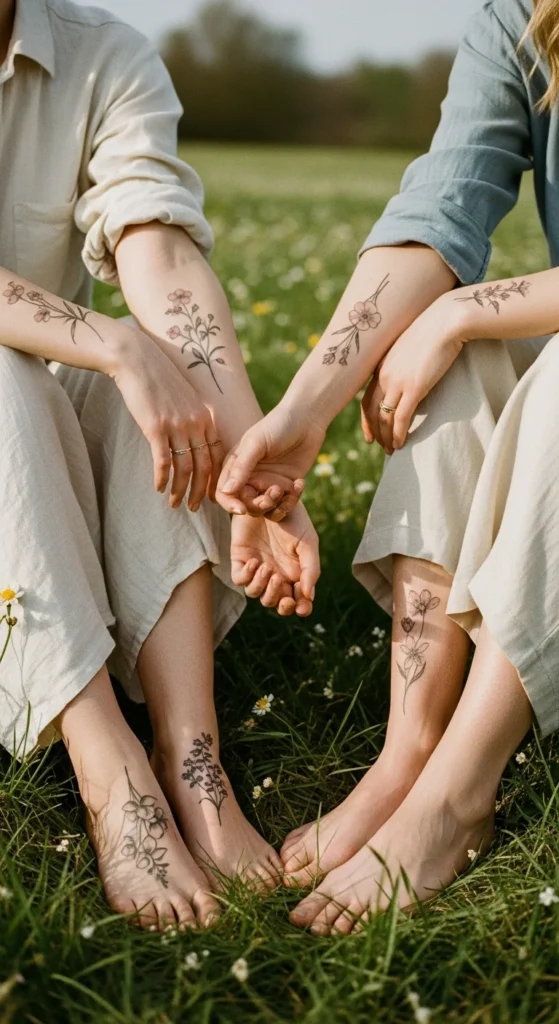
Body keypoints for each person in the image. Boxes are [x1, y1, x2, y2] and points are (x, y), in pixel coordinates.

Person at [218, 0, 559, 935]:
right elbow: (438, 206)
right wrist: (301, 416)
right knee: (444, 356)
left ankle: (458, 794)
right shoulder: (523, 18)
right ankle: (407, 751)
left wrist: (466, 308)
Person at [0, 0, 320, 930]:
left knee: (165, 378)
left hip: (30, 411)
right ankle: (112, 771)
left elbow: (160, 249)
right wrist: (110, 340)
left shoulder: (103, 55)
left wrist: (257, 462)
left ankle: (194, 763)